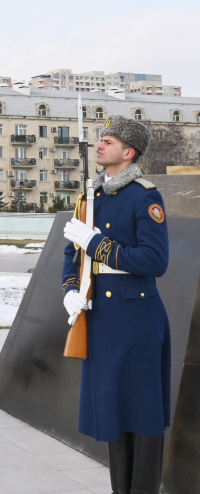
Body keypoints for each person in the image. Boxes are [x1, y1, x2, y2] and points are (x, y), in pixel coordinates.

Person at [61, 115, 170, 494]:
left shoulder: (145, 195)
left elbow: (156, 261)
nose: (100, 145)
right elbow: (71, 255)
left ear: (129, 152)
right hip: (100, 318)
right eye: (101, 138)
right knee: (112, 411)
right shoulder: (88, 198)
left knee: (141, 413)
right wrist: (69, 290)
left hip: (136, 318)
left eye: (109, 140)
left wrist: (99, 246)